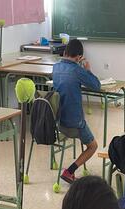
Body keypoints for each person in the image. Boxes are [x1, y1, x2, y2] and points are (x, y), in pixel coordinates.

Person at [52, 39, 101, 184]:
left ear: (65, 52)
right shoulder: (77, 70)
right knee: (93, 146)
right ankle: (70, 171)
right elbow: (96, 85)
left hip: (58, 123)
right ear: (79, 57)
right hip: (75, 124)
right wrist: (88, 70)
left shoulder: (55, 67)